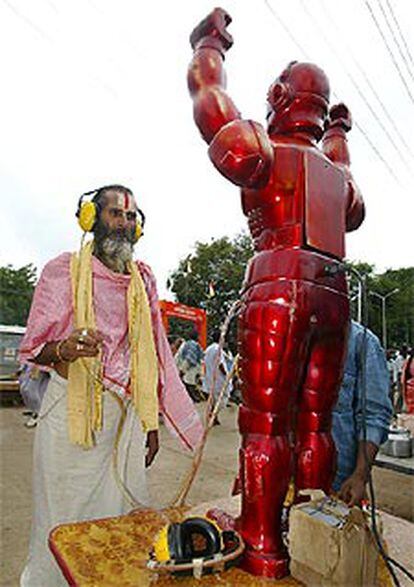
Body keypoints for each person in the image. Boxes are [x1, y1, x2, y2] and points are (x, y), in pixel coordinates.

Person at [188, 8, 364, 578]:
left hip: (280, 281)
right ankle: (310, 529)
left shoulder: (262, 147)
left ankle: (263, 543)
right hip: (335, 291)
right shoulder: (340, 179)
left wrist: (207, 43)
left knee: (266, 423)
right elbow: (353, 201)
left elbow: (209, 94)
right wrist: (335, 133)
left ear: (278, 97)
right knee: (314, 421)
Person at [18, 184, 203, 586]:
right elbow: (34, 349)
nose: (123, 223)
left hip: (125, 425)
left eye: (131, 216)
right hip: (70, 423)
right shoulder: (63, 271)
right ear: (92, 219)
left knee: (121, 518)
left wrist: (151, 423)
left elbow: (155, 351)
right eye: (115, 214)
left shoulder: (144, 280)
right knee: (63, 518)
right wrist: (64, 348)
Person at [332, 321, 393, 506]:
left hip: (337, 483)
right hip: (285, 479)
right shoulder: (283, 332)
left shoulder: (362, 341)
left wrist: (360, 475)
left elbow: (374, 416)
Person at [202, 335, 234, 425]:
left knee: (213, 399)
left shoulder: (209, 348)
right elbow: (221, 365)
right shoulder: (217, 349)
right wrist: (227, 376)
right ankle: (213, 415)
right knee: (222, 399)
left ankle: (214, 417)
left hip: (210, 377)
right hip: (219, 378)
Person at [175, 329, 205, 402]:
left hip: (188, 369)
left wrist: (182, 370)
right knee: (189, 384)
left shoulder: (190, 344)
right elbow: (192, 358)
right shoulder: (194, 345)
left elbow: (190, 358)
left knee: (188, 384)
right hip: (191, 369)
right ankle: (193, 398)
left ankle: (191, 398)